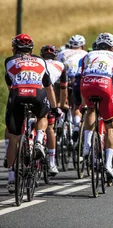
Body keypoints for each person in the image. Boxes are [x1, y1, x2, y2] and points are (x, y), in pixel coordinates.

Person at [4, 34, 58, 193]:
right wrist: (54, 108)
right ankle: (40, 140)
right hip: (37, 95)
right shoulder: (40, 61)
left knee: (13, 137)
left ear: (14, 48)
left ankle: (12, 179)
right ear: (32, 49)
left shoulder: (9, 61)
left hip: (17, 96)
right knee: (43, 116)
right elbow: (48, 86)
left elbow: (10, 84)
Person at [79, 32, 113, 181]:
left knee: (91, 109)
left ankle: (86, 145)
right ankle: (108, 165)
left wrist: (83, 102)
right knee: (110, 126)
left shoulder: (87, 55)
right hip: (105, 86)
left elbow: (82, 76)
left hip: (86, 85)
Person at [40, 45, 68, 176]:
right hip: (47, 94)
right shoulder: (60, 65)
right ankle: (51, 163)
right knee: (50, 126)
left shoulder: (37, 62)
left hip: (29, 92)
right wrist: (60, 106)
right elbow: (62, 89)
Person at [57, 34, 87, 143]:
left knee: (61, 103)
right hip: (77, 81)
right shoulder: (86, 54)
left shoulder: (62, 53)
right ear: (82, 46)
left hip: (63, 82)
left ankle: (60, 121)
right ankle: (76, 125)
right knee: (77, 106)